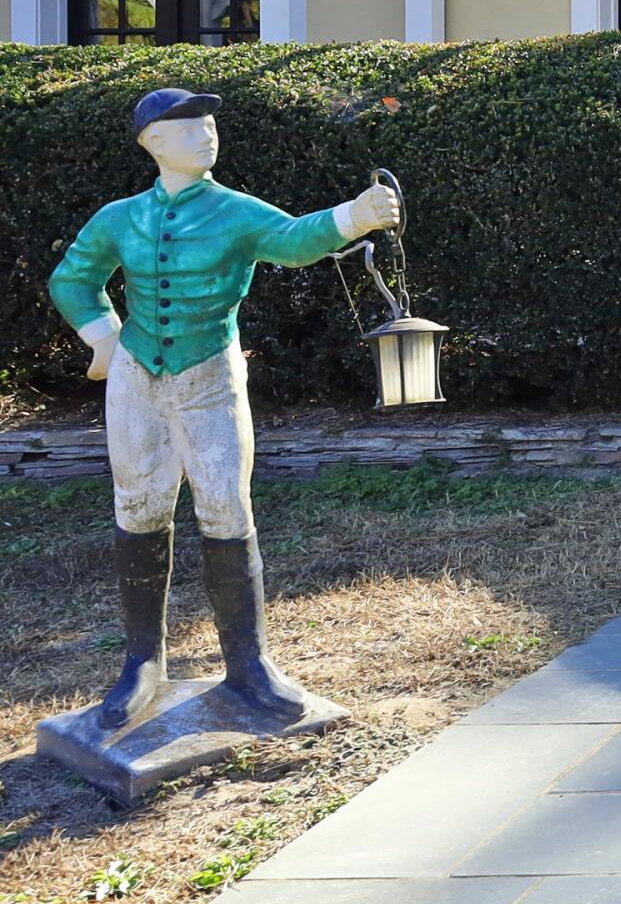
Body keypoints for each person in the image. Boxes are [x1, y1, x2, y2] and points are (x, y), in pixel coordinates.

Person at [47, 90, 399, 730]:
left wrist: (355, 216)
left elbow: (293, 241)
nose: (206, 135)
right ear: (152, 141)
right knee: (138, 505)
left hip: (209, 373)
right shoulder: (119, 217)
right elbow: (73, 277)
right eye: (188, 128)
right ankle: (141, 664)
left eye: (209, 124)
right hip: (134, 378)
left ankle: (249, 666)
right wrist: (102, 338)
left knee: (226, 506)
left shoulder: (235, 212)